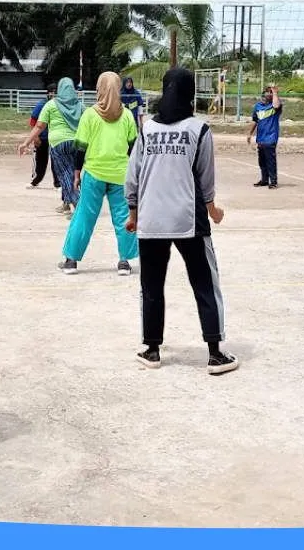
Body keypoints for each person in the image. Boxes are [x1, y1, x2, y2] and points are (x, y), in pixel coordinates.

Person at [125, 67, 237, 375]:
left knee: (151, 286)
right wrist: (213, 210)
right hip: (189, 220)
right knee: (204, 283)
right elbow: (205, 179)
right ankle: (215, 353)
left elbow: (132, 175)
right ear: (190, 94)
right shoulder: (199, 129)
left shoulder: (146, 129)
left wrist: (133, 215)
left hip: (151, 220)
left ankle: (151, 350)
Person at [58, 72, 139, 276]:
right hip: (121, 175)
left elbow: (80, 149)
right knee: (124, 217)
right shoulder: (127, 115)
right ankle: (124, 262)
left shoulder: (90, 115)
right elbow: (133, 149)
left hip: (94, 174)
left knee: (84, 216)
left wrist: (77, 175)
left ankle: (71, 261)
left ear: (99, 89)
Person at [19, 78, 83, 214]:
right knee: (73, 173)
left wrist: (26, 143)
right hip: (77, 144)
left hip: (59, 144)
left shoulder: (51, 105)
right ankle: (66, 203)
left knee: (65, 175)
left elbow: (39, 126)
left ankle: (78, 207)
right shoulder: (79, 106)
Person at [246, 85, 283, 189]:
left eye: (269, 92)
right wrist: (249, 133)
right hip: (261, 139)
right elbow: (255, 121)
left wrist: (275, 93)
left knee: (270, 161)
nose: (267, 94)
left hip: (270, 138)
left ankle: (273, 182)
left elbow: (276, 105)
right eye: (266, 92)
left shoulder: (275, 107)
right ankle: (264, 180)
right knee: (262, 161)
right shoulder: (258, 107)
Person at [27, 84, 56, 189]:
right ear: (48, 93)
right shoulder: (41, 105)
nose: (54, 94)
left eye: (56, 92)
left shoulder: (60, 106)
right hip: (42, 137)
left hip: (55, 138)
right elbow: (33, 121)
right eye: (52, 92)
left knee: (56, 161)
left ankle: (58, 183)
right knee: (40, 160)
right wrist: (35, 137)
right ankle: (35, 180)